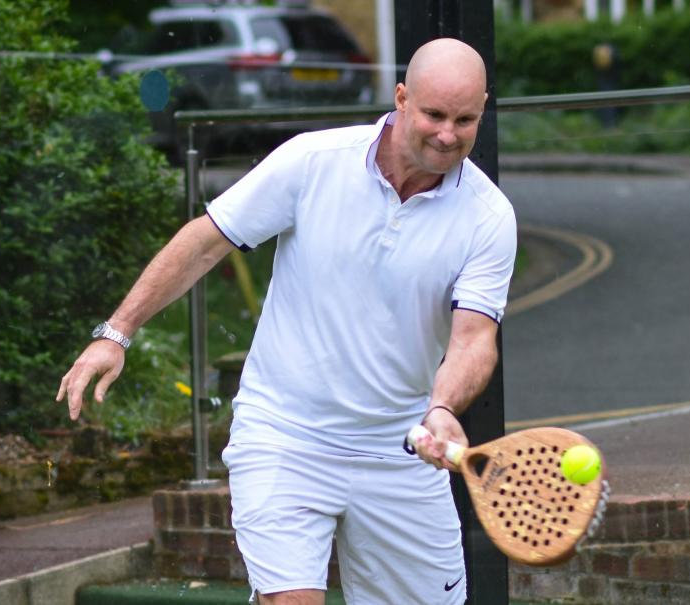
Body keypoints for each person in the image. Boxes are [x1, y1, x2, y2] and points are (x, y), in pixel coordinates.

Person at [57, 37, 516, 605]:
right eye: (434, 114)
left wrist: (442, 408)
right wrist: (116, 332)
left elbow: (473, 340)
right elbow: (204, 243)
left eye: (465, 119)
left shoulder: (490, 217)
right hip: (285, 436)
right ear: (401, 98)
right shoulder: (312, 161)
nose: (448, 134)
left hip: (401, 450)